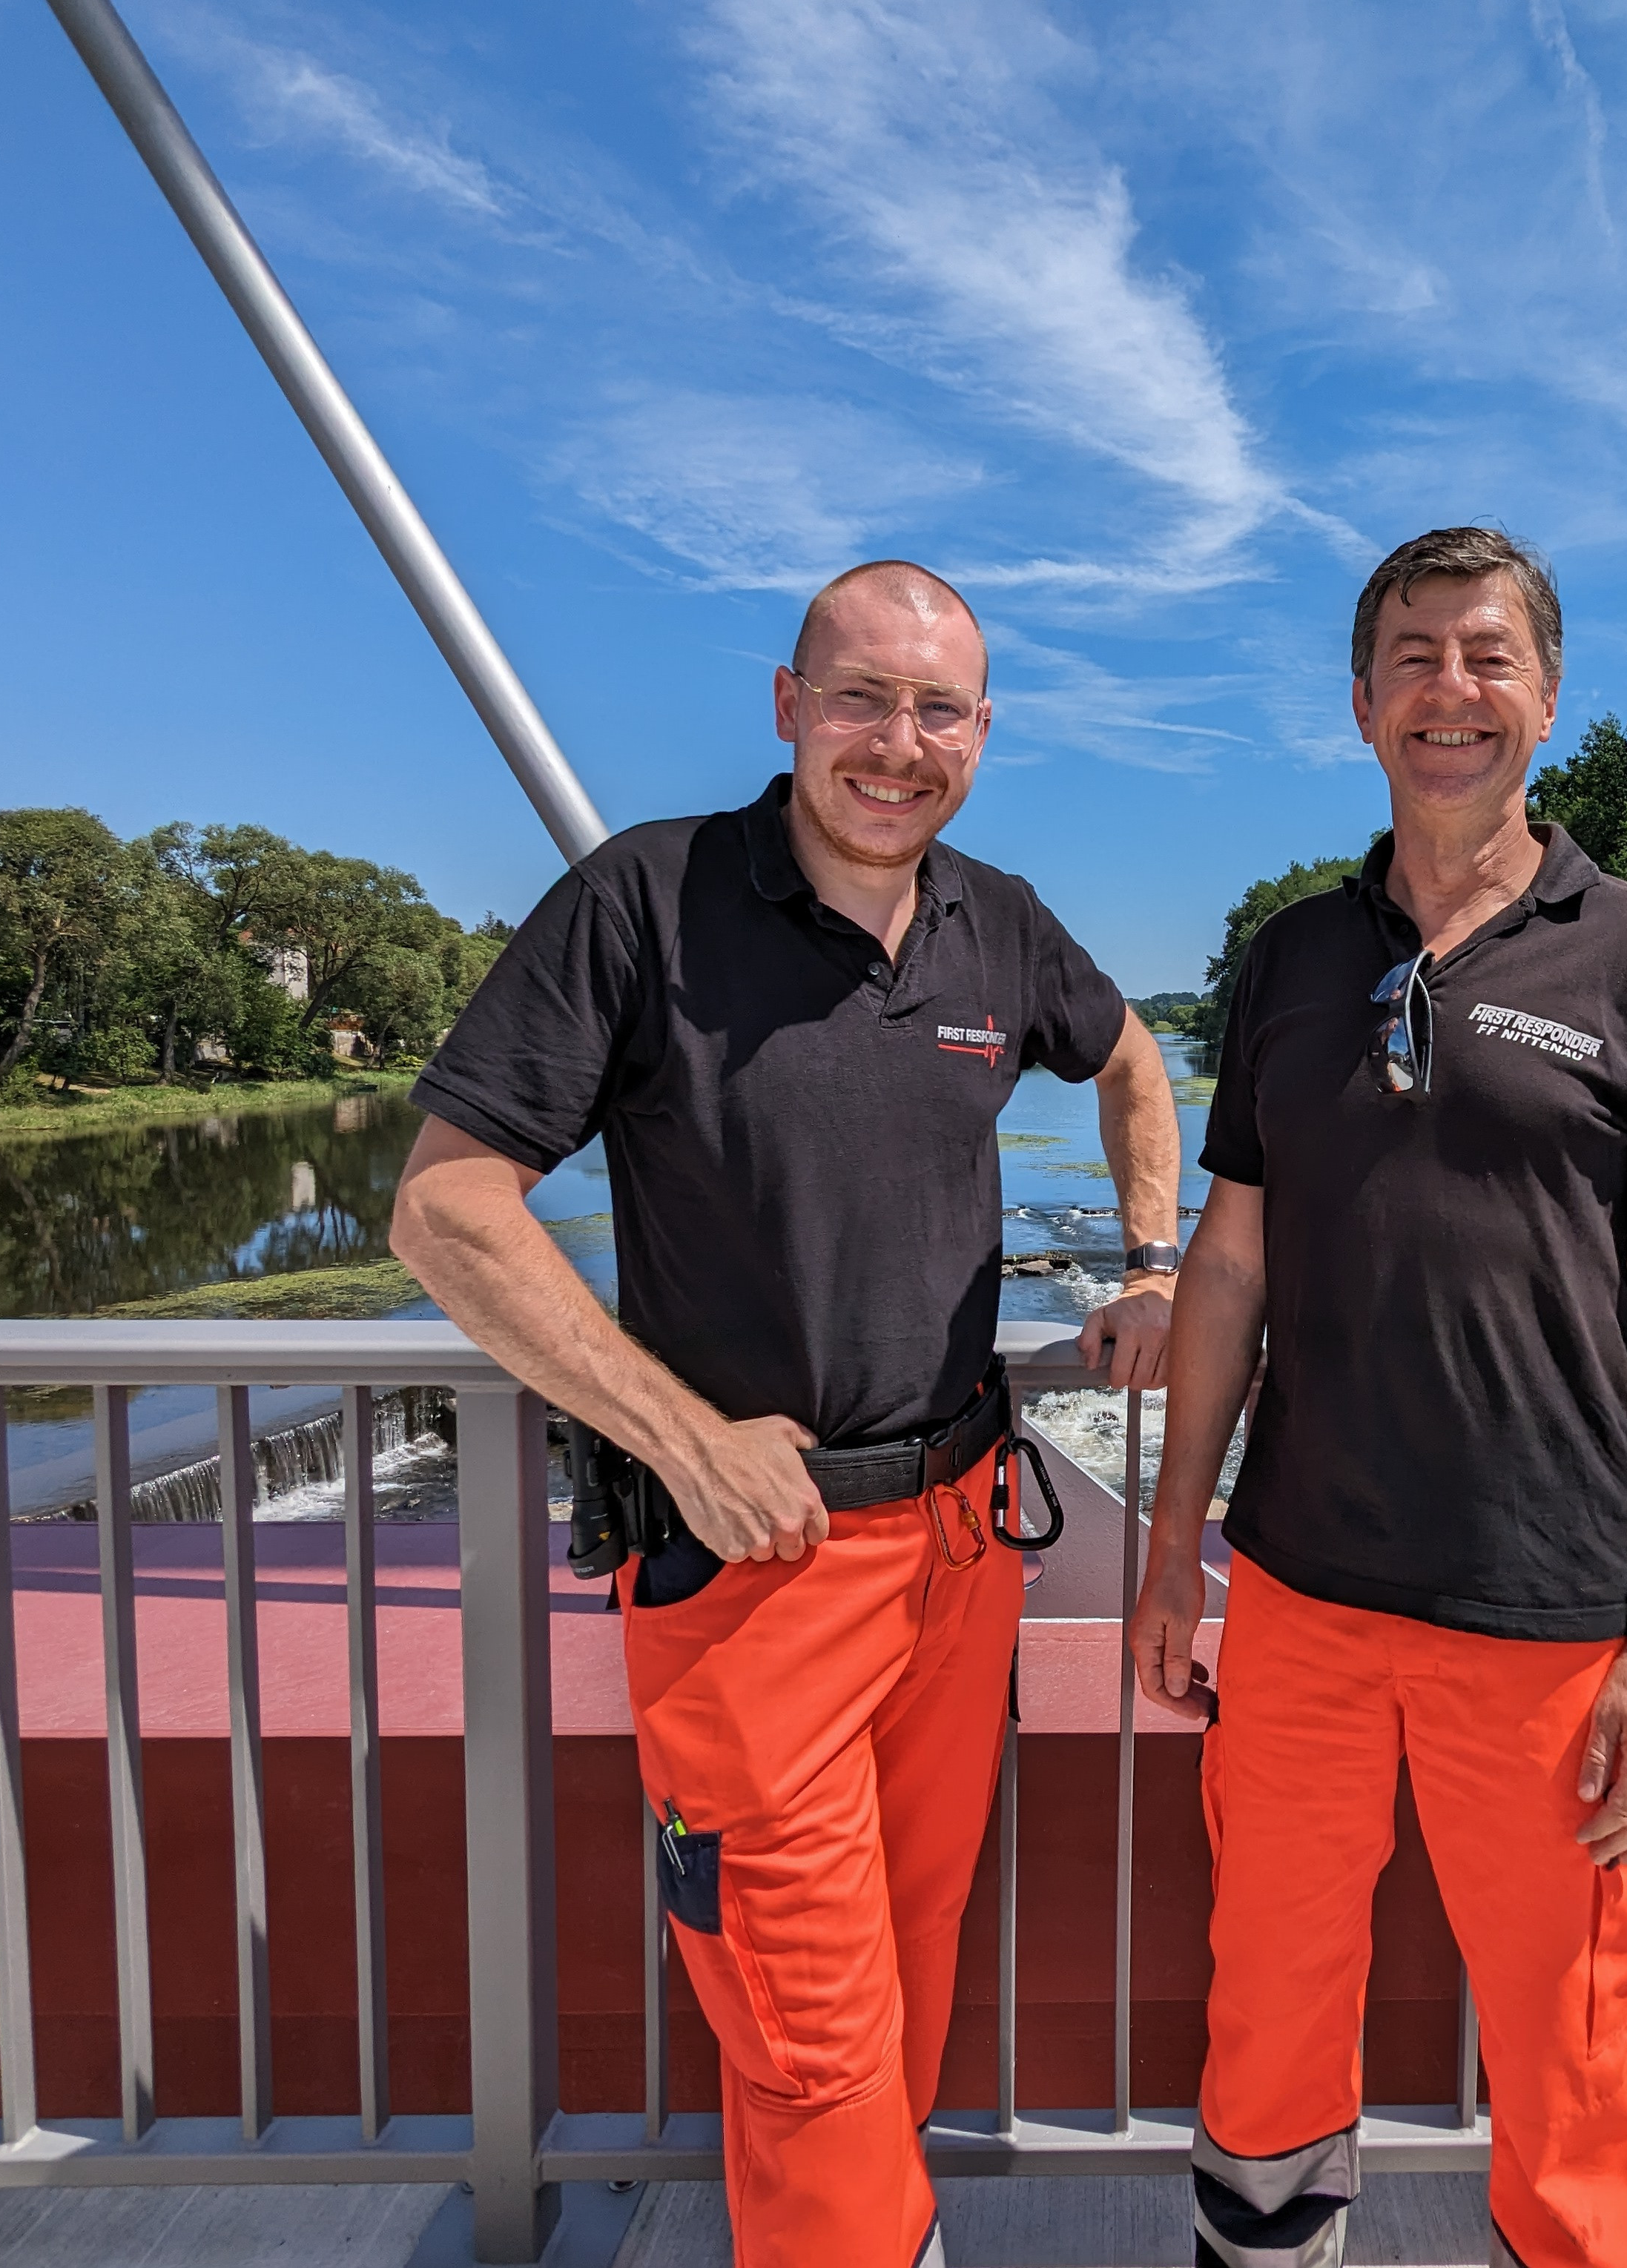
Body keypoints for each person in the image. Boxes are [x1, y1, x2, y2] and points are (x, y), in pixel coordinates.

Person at [392, 561, 1181, 2268]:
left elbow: (1133, 1060)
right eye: (862, 700)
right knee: (809, 2019)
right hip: (756, 1564)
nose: (900, 745)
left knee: (895, 1964)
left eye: (940, 710)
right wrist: (682, 1435)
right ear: (787, 705)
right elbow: (447, 1212)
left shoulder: (1000, 920)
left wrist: (1154, 1262)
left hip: (963, 1546)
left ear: (983, 731)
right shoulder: (644, 904)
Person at [1126, 527, 1627, 2268]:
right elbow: (1231, 1273)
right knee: (1265, 2009)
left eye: (1486, 656)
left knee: (1569, 2048)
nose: (1449, 692)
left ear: (1545, 697)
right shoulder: (1286, 957)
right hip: (1305, 1597)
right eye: (1412, 656)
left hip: (1550, 1613)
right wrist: (1172, 1551)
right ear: (1359, 702)